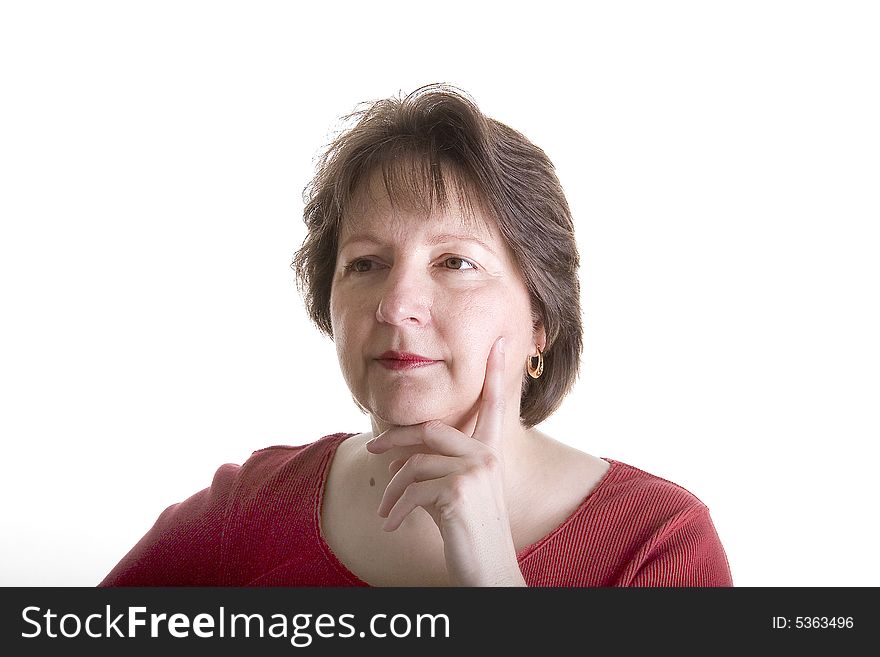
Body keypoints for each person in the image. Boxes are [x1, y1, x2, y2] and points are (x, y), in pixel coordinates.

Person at [100, 84, 732, 587]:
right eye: (366, 264)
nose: (397, 306)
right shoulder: (248, 511)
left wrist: (494, 581)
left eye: (455, 262)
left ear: (541, 318)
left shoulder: (658, 543)